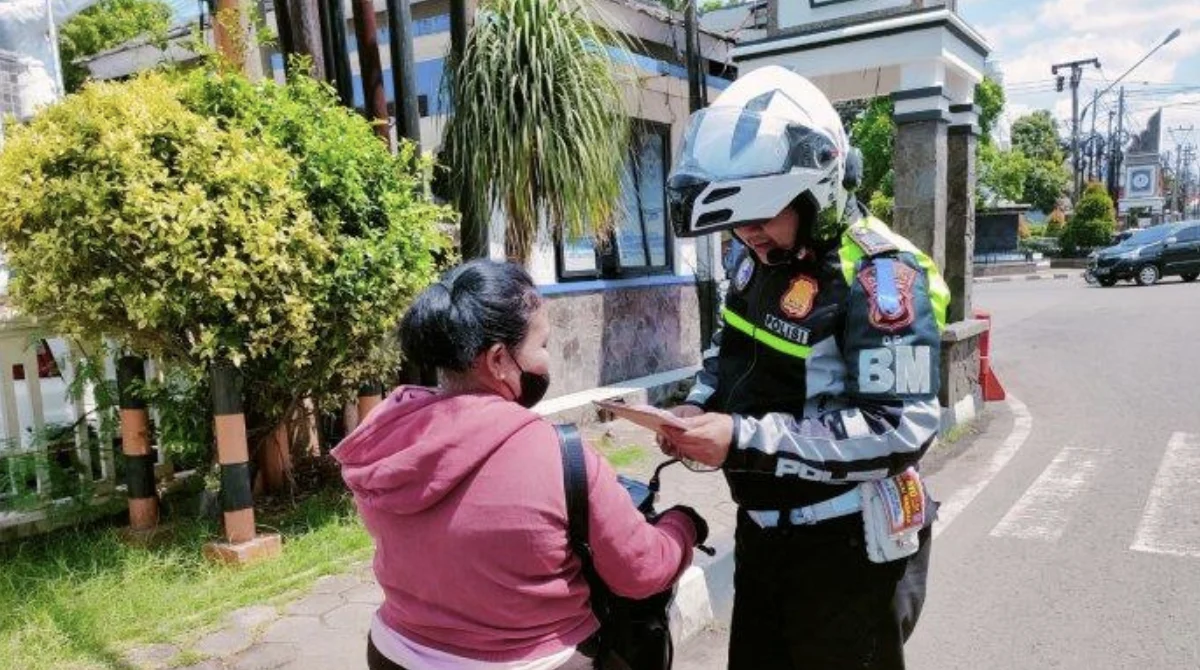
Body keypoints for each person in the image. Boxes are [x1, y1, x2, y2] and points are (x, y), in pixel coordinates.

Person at [660, 65, 949, 670]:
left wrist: (742, 438)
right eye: (738, 222)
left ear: (815, 193)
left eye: (763, 217)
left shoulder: (880, 277)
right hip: (764, 536)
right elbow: (729, 352)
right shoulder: (756, 261)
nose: (749, 235)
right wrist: (699, 404)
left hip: (846, 550)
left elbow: (899, 429)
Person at [332, 259, 707, 670]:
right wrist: (683, 523)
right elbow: (641, 570)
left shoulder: (386, 434)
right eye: (542, 345)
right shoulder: (558, 453)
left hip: (396, 653)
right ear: (498, 360)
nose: (547, 361)